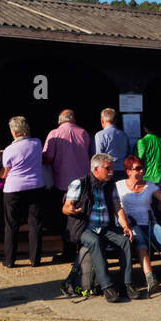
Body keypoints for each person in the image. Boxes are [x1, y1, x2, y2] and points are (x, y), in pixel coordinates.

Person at [62, 153, 133, 302]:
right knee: (95, 242)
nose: (111, 171)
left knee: (125, 240)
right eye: (107, 168)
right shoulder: (79, 183)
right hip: (84, 228)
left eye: (111, 168)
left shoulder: (110, 185)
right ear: (95, 170)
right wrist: (71, 209)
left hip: (105, 228)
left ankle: (127, 285)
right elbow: (66, 207)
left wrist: (125, 226)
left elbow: (117, 207)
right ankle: (107, 287)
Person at [117, 153, 161, 295]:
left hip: (149, 222)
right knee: (140, 243)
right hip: (131, 224)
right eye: (137, 168)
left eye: (142, 168)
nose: (141, 171)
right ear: (128, 171)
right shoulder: (119, 186)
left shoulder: (149, 185)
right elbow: (112, 204)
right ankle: (150, 278)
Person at [43, 109, 92, 260]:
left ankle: (69, 252)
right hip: (84, 183)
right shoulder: (84, 133)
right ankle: (83, 250)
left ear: (60, 120)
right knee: (83, 216)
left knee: (66, 219)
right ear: (73, 119)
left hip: (63, 183)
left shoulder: (54, 133)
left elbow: (48, 158)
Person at [0, 116, 45, 269]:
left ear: (14, 131)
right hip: (35, 186)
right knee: (35, 224)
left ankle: (10, 260)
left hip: (13, 189)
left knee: (11, 225)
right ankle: (35, 260)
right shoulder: (37, 143)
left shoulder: (8, 150)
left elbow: (5, 173)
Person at [95, 108, 129, 175]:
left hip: (108, 171)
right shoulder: (124, 135)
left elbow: (99, 156)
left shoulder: (100, 135)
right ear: (115, 120)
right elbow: (128, 153)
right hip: (122, 170)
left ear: (102, 120)